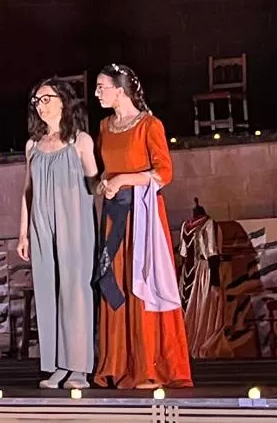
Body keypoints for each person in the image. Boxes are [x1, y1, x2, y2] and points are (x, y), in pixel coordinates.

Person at [91, 64, 192, 390]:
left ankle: (149, 365)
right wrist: (105, 183)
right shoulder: (105, 127)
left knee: (141, 281)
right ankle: (118, 363)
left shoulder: (149, 125)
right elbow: (107, 170)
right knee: (116, 280)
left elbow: (164, 172)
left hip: (143, 216)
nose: (97, 93)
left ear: (120, 90)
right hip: (113, 216)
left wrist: (123, 180)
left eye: (101, 87)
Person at [16, 78, 99, 389]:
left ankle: (78, 367)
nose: (41, 104)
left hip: (74, 223)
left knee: (75, 292)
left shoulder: (81, 141)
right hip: (41, 223)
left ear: (64, 101)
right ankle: (57, 365)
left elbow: (95, 184)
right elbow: (28, 190)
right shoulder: (32, 146)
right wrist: (23, 232)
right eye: (37, 100)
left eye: (47, 98)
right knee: (48, 290)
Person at [177, 199, 226, 359]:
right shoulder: (196, 224)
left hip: (197, 271)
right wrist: (215, 282)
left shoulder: (200, 224)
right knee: (196, 306)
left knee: (200, 307)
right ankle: (191, 341)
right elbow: (211, 251)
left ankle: (198, 340)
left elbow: (208, 252)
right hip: (197, 271)